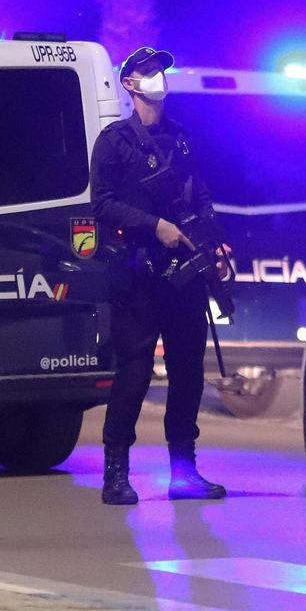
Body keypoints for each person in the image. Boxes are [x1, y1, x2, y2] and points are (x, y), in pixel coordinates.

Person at [90, 46, 231, 505]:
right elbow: (103, 204)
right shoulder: (114, 141)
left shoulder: (182, 138)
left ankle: (183, 471)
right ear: (130, 84)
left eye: (161, 71)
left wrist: (217, 245)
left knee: (188, 371)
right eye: (149, 73)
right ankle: (116, 473)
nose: (159, 79)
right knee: (134, 371)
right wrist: (155, 226)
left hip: (186, 273)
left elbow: (201, 199)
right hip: (138, 273)